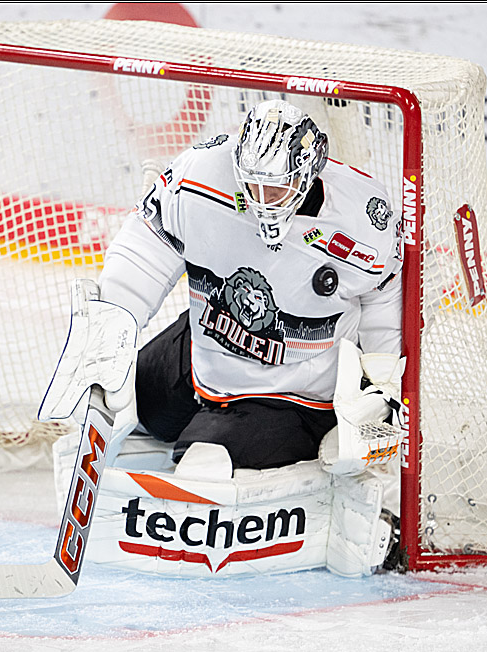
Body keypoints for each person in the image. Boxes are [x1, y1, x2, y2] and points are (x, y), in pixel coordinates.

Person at [97, 99, 405, 477]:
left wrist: (384, 386)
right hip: (204, 347)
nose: (261, 199)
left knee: (202, 469)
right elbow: (150, 243)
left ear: (305, 175)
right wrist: (114, 318)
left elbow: (384, 296)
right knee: (117, 403)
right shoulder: (202, 172)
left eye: (274, 189)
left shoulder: (362, 218)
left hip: (289, 394)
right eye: (253, 184)